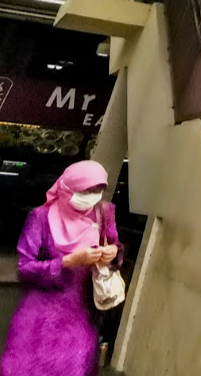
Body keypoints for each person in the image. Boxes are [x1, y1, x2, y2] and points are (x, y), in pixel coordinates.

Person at [1, 161, 122, 376]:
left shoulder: (104, 214)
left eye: (97, 191)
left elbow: (115, 247)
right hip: (39, 318)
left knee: (74, 368)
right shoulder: (41, 218)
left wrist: (113, 253)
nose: (92, 196)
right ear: (67, 188)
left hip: (81, 317)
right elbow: (25, 268)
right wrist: (68, 262)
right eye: (85, 191)